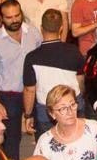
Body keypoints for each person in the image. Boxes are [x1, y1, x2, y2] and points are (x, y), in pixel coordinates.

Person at [0, 0, 42, 160]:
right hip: (9, 97)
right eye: (9, 17)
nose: (14, 20)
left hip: (35, 92)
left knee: (43, 132)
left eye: (17, 15)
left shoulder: (33, 33)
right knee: (10, 140)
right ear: (1, 18)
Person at [22, 9, 85, 137]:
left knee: (48, 146)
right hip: (72, 104)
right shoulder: (73, 51)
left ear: (41, 28)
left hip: (46, 109)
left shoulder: (32, 57)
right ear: (61, 28)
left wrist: (28, 115)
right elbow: (80, 80)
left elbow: (30, 90)